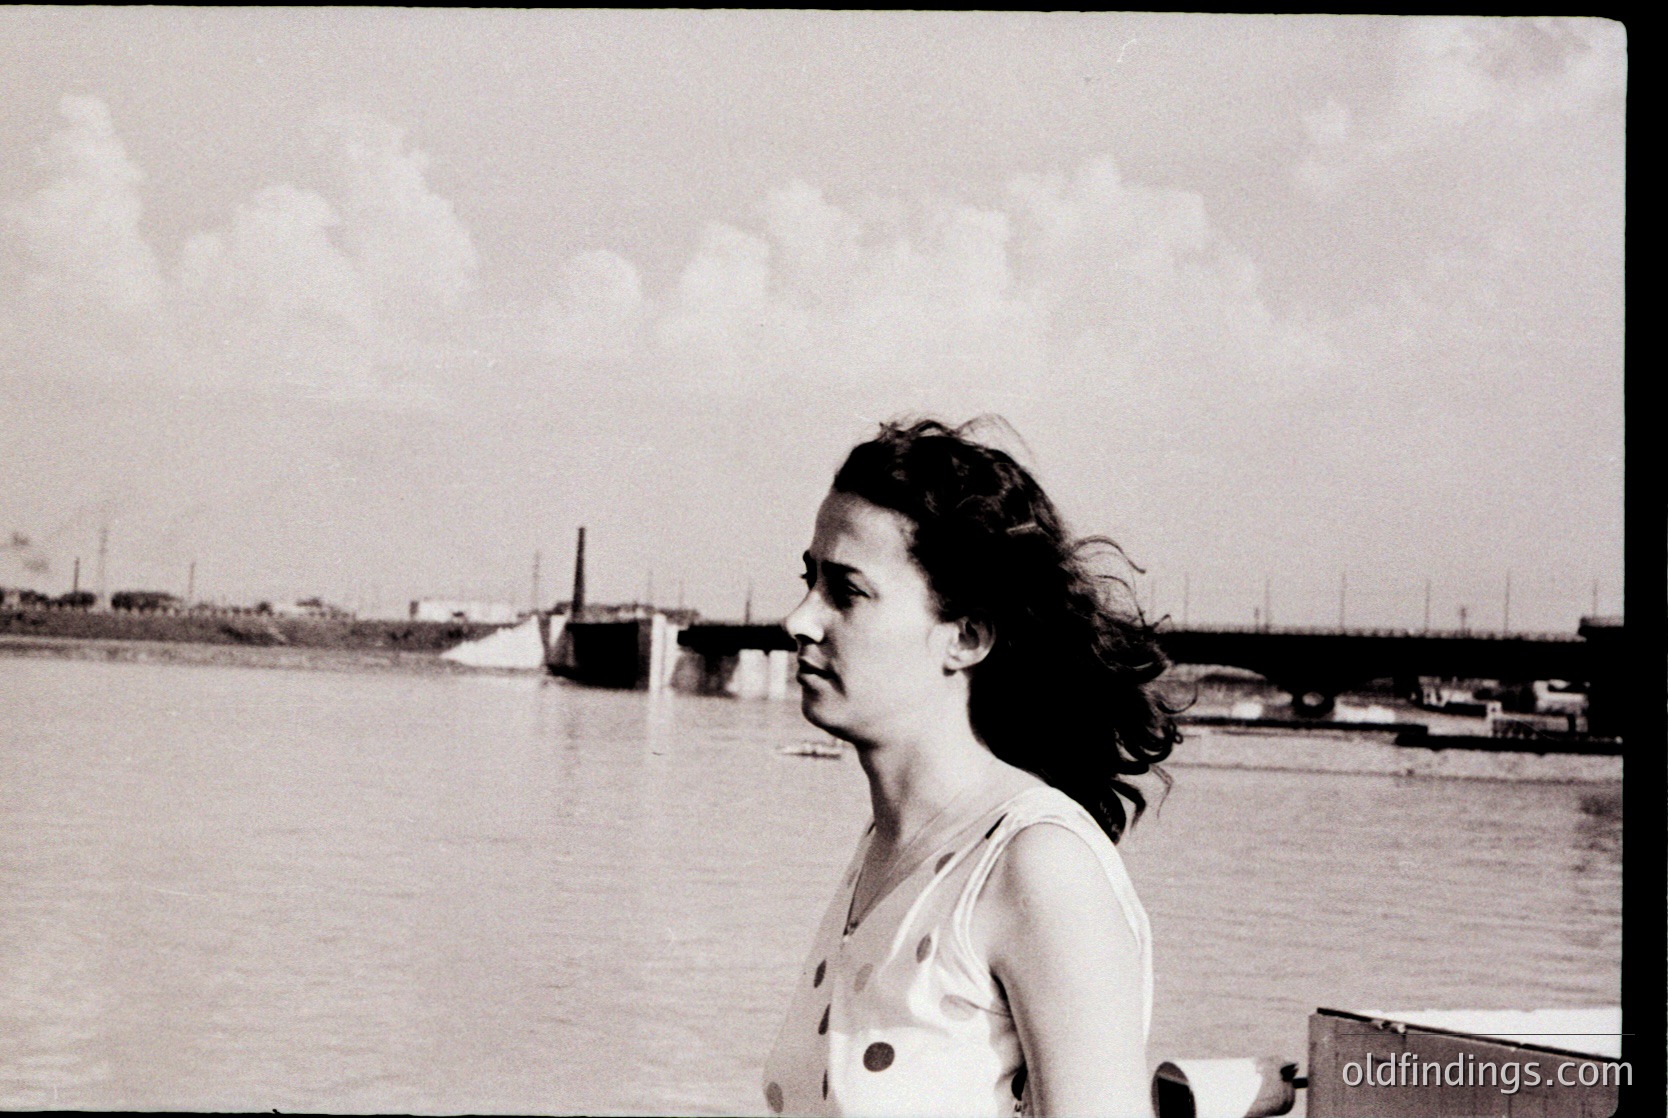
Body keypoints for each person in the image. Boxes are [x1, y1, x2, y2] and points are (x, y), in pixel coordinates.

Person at [762, 418, 1180, 1117]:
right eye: (810, 581)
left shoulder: (1039, 866)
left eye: (847, 591)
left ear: (966, 636)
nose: (799, 619)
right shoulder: (883, 852)